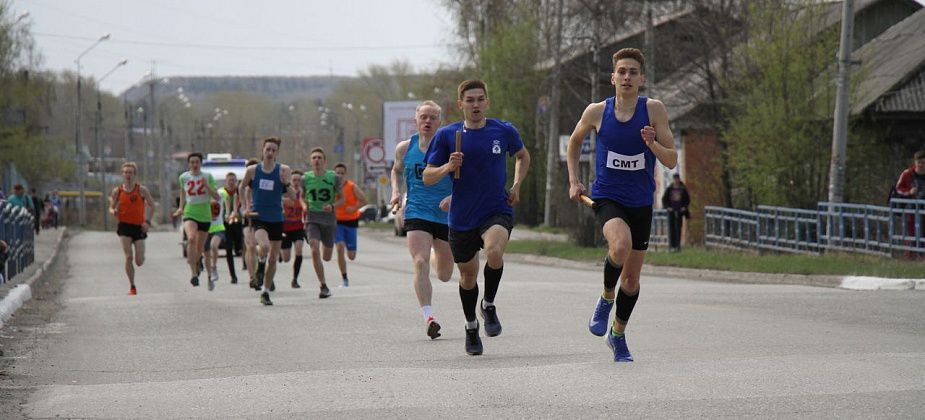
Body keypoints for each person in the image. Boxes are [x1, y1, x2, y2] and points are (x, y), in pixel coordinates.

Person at [567, 48, 678, 362]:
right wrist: (574, 180)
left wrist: (652, 143)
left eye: (633, 72)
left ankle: (617, 334)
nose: (627, 77)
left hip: (640, 202)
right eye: (622, 72)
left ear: (642, 79)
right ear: (613, 77)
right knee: (620, 245)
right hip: (607, 197)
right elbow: (575, 142)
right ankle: (605, 298)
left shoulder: (653, 110)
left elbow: (671, 160)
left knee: (631, 279)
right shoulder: (597, 111)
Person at [423, 80, 531, 356]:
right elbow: (427, 176)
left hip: (496, 208)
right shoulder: (448, 135)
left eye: (480, 99)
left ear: (487, 102)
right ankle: (471, 326)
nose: (475, 105)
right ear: (460, 104)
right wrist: (448, 166)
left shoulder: (503, 130)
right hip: (462, 216)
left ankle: (490, 305)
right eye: (469, 100)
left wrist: (517, 185)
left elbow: (522, 155)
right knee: (468, 276)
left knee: (495, 250)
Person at [391, 100, 454, 340]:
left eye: (432, 118)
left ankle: (439, 254)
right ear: (416, 120)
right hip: (417, 210)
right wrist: (395, 191)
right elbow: (396, 170)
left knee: (445, 274)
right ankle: (429, 317)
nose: (427, 121)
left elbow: (464, 179)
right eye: (423, 117)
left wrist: (453, 196)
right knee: (419, 261)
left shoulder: (449, 149)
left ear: (440, 122)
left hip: (446, 213)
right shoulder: (405, 148)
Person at [239, 138, 295, 305]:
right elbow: (242, 188)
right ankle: (260, 266)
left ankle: (265, 291)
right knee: (264, 246)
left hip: (276, 217)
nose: (270, 153)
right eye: (267, 149)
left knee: (273, 258)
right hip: (259, 216)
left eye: (273, 150)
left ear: (277, 152)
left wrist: (286, 183)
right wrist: (245, 207)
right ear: (262, 150)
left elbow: (292, 198)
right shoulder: (253, 170)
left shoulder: (283, 170)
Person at [173, 153, 220, 288]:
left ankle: (197, 262)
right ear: (189, 164)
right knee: (192, 238)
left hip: (205, 214)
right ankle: (194, 275)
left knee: (200, 248)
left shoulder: (208, 176)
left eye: (197, 162)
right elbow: (183, 194)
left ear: (201, 163)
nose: (194, 165)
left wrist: (207, 186)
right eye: (192, 162)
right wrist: (181, 208)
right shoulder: (184, 177)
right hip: (190, 212)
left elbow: (217, 197)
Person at [302, 147, 344, 299]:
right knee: (314, 248)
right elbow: (300, 196)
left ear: (324, 161)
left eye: (319, 157)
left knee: (326, 256)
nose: (317, 160)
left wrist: (332, 206)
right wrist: (303, 205)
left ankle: (325, 251)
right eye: (314, 158)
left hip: (328, 219)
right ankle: (323, 285)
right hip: (312, 218)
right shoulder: (305, 178)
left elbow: (342, 198)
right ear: (311, 161)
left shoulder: (333, 177)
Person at [109, 162, 156, 295]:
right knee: (128, 257)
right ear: (122, 174)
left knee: (139, 261)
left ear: (134, 174)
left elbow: (152, 206)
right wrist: (113, 211)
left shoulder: (141, 190)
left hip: (139, 226)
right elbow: (111, 207)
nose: (128, 175)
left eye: (130, 172)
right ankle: (132, 286)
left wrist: (147, 222)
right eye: (125, 172)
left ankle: (140, 257)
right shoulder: (117, 191)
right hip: (124, 226)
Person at [334, 162, 368, 288]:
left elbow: (364, 200)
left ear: (345, 174)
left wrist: (354, 208)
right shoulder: (331, 186)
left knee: (351, 256)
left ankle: (350, 251)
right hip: (336, 221)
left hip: (351, 222)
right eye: (338, 173)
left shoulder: (351, 186)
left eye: (342, 173)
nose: (340, 175)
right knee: (339, 247)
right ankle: (344, 278)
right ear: (334, 174)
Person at [894, 149, 925, 259]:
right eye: (919, 162)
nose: (921, 165)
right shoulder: (908, 173)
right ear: (915, 162)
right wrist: (909, 191)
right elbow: (898, 188)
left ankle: (922, 256)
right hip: (911, 208)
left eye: (924, 162)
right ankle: (911, 256)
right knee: (912, 233)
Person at [281, 170, 307, 289]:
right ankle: (280, 255)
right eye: (294, 180)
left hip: (298, 227)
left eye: (299, 180)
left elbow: (306, 208)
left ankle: (295, 279)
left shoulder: (304, 194)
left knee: (299, 249)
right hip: (285, 227)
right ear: (290, 181)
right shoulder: (285, 193)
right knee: (286, 259)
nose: (296, 182)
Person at [204, 184, 229, 291]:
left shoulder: (221, 193)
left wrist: (228, 212)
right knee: (205, 254)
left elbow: (227, 199)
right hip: (205, 229)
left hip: (218, 227)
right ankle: (209, 277)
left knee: (214, 246)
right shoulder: (203, 198)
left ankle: (214, 267)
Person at [220, 173, 242, 283]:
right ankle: (233, 275)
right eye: (229, 180)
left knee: (241, 248)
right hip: (226, 223)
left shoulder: (239, 192)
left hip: (239, 223)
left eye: (233, 180)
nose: (231, 182)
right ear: (226, 181)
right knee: (228, 249)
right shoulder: (222, 193)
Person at [661, 173, 690, 252]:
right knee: (671, 228)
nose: (676, 180)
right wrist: (667, 207)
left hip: (679, 211)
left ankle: (678, 246)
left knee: (678, 228)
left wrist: (684, 207)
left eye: (677, 179)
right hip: (671, 211)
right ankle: (671, 246)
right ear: (673, 180)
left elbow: (687, 199)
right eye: (675, 179)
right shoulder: (670, 188)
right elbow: (664, 199)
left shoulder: (683, 188)